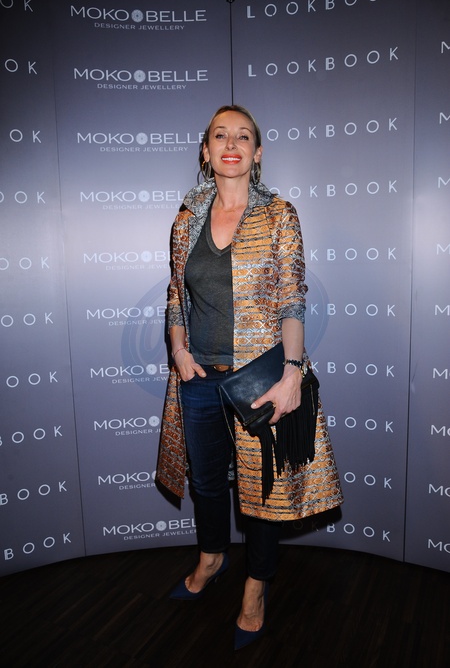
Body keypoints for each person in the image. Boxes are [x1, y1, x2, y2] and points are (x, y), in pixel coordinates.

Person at [156, 104, 343, 650]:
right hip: (198, 377)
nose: (231, 144)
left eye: (243, 136)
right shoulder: (187, 217)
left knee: (263, 492)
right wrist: (178, 349)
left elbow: (292, 299)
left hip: (260, 378)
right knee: (207, 483)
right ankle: (212, 557)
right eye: (221, 135)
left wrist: (291, 374)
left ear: (257, 153)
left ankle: (256, 586)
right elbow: (176, 293)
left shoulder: (279, 214)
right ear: (206, 151)